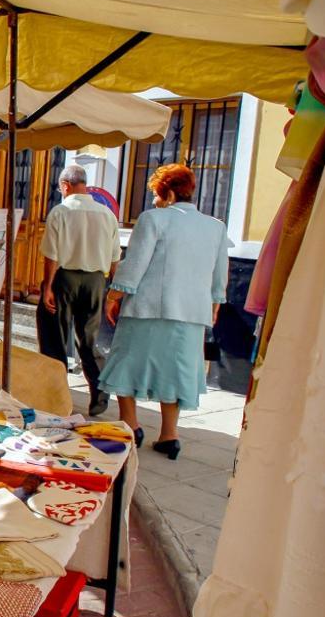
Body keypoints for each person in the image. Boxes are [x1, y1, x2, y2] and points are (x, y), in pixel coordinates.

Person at [99, 164, 229, 460]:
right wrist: (214, 303)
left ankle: (130, 425)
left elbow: (136, 263)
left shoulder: (153, 219)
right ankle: (170, 436)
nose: (155, 200)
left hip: (148, 308)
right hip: (191, 313)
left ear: (167, 193)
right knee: (176, 372)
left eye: (156, 194)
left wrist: (114, 294)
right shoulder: (215, 227)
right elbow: (220, 271)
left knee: (125, 364)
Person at [37, 164, 121, 417]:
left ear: (65, 186)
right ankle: (99, 391)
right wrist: (111, 292)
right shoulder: (107, 214)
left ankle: (56, 393)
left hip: (65, 278)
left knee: (54, 336)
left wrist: (47, 287)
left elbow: (51, 255)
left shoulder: (61, 211)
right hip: (96, 279)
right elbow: (115, 256)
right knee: (89, 339)